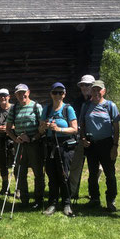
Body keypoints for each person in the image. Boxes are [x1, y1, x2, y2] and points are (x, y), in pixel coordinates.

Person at [79, 80, 120, 211]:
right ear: (91, 91)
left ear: (104, 91)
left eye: (99, 90)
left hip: (107, 143)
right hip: (91, 144)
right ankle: (94, 198)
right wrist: (83, 138)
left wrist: (115, 146)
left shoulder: (110, 106)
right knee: (92, 173)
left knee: (110, 173)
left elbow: (116, 127)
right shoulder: (86, 106)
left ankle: (111, 200)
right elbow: (82, 125)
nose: (96, 92)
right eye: (94, 90)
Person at [39, 82, 78, 216]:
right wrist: (44, 126)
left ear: (64, 94)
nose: (58, 95)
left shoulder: (68, 109)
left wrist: (58, 129)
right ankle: (52, 203)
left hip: (64, 146)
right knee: (52, 174)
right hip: (50, 145)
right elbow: (40, 128)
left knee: (63, 174)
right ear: (51, 94)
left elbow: (74, 129)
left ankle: (67, 203)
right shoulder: (47, 109)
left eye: (60, 92)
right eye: (55, 92)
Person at [6, 84, 45, 208]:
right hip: (20, 145)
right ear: (15, 95)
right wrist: (15, 139)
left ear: (28, 92)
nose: (21, 95)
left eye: (23, 92)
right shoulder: (14, 108)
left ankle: (38, 199)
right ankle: (24, 199)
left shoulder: (36, 106)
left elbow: (43, 127)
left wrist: (33, 138)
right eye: (18, 93)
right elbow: (8, 129)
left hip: (34, 144)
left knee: (38, 172)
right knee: (21, 172)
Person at [69, 74, 95, 201]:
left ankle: (93, 192)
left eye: (87, 85)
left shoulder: (97, 100)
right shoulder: (77, 102)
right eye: (82, 85)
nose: (85, 87)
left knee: (96, 168)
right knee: (76, 166)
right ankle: (73, 192)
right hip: (79, 138)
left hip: (95, 139)